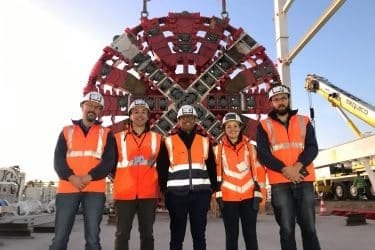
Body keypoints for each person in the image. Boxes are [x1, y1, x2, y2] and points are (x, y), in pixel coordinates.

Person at [256, 84, 321, 250]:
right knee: (286, 230)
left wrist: (297, 166)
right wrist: (286, 170)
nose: (281, 102)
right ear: (271, 102)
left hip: (304, 179)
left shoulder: (304, 121)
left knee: (309, 229)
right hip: (280, 183)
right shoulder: (263, 125)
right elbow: (263, 154)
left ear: (289, 99)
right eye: (276, 100)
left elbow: (312, 147)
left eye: (283, 98)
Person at [50, 91, 117, 250]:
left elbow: (109, 162)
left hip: (94, 191)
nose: (92, 109)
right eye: (89, 105)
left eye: (97, 107)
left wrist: (89, 177)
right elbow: (58, 160)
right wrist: (71, 177)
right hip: (67, 189)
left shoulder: (107, 134)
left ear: (100, 111)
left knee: (93, 240)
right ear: (82, 106)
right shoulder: (67, 131)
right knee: (59, 238)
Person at [156, 104, 218, 250]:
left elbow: (211, 167)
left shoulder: (204, 141)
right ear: (178, 121)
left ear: (195, 119)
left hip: (201, 195)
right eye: (183, 117)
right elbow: (162, 168)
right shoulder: (168, 141)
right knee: (177, 236)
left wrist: (213, 190)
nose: (187, 120)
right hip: (176, 196)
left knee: (199, 236)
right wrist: (165, 190)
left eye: (190, 117)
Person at [112, 99, 163, 250]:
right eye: (136, 111)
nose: (140, 115)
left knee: (147, 234)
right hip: (124, 194)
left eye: (143, 112)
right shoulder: (118, 138)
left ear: (148, 116)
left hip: (148, 194)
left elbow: (163, 166)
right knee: (122, 234)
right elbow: (110, 164)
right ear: (130, 115)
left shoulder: (157, 139)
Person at [215, 112, 266, 250]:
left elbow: (260, 173)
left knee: (250, 235)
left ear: (240, 127)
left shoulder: (251, 148)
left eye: (235, 126)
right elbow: (214, 177)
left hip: (249, 198)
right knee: (231, 236)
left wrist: (263, 197)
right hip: (228, 199)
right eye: (228, 127)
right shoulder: (217, 150)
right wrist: (213, 197)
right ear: (224, 129)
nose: (232, 129)